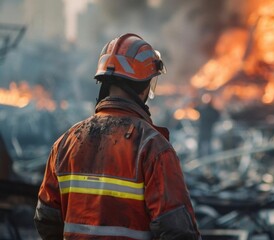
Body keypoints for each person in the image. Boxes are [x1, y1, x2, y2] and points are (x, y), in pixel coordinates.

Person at [34, 33, 201, 240]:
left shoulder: (66, 143)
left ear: (104, 83)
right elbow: (178, 232)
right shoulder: (152, 148)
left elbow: (46, 220)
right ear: (144, 86)